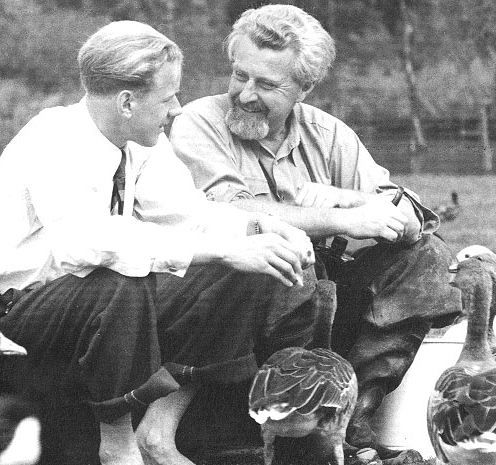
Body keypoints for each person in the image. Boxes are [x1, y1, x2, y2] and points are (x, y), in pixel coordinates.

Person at [0, 20, 318, 465]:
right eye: (168, 97)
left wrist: (258, 229)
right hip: (10, 325)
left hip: (88, 315)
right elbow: (85, 242)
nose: (178, 109)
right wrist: (226, 249)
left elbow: (188, 212)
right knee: (120, 279)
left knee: (246, 268)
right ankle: (117, 447)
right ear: (127, 102)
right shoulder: (52, 138)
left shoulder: (141, 142)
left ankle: (158, 433)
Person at [170, 4, 463, 452]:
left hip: (318, 300)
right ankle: (289, 422)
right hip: (229, 303)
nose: (245, 94)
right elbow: (230, 211)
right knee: (287, 255)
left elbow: (409, 215)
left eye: (267, 84)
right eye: (240, 75)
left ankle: (351, 417)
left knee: (426, 259)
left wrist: (356, 200)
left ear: (304, 88)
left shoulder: (328, 133)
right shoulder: (198, 121)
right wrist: (340, 219)